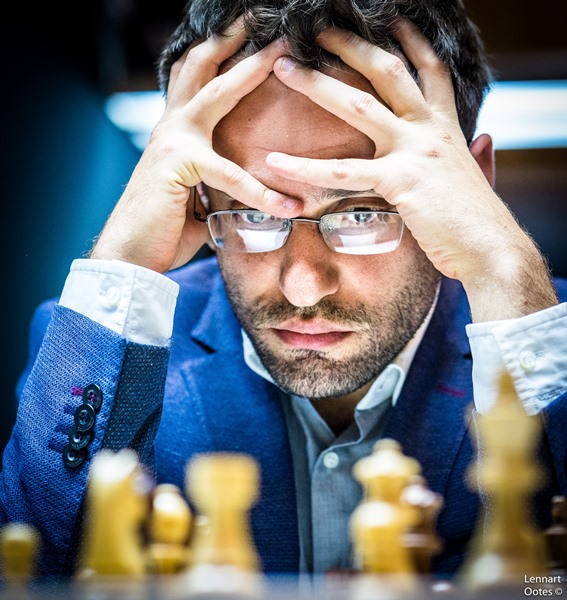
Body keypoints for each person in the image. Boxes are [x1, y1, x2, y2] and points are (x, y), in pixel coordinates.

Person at [1, 0, 566, 579]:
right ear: (199, 197)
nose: (301, 288)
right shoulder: (104, 348)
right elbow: (37, 570)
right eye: (252, 213)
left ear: (472, 187)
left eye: (362, 214)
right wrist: (122, 261)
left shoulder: (547, 333)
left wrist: (506, 271)